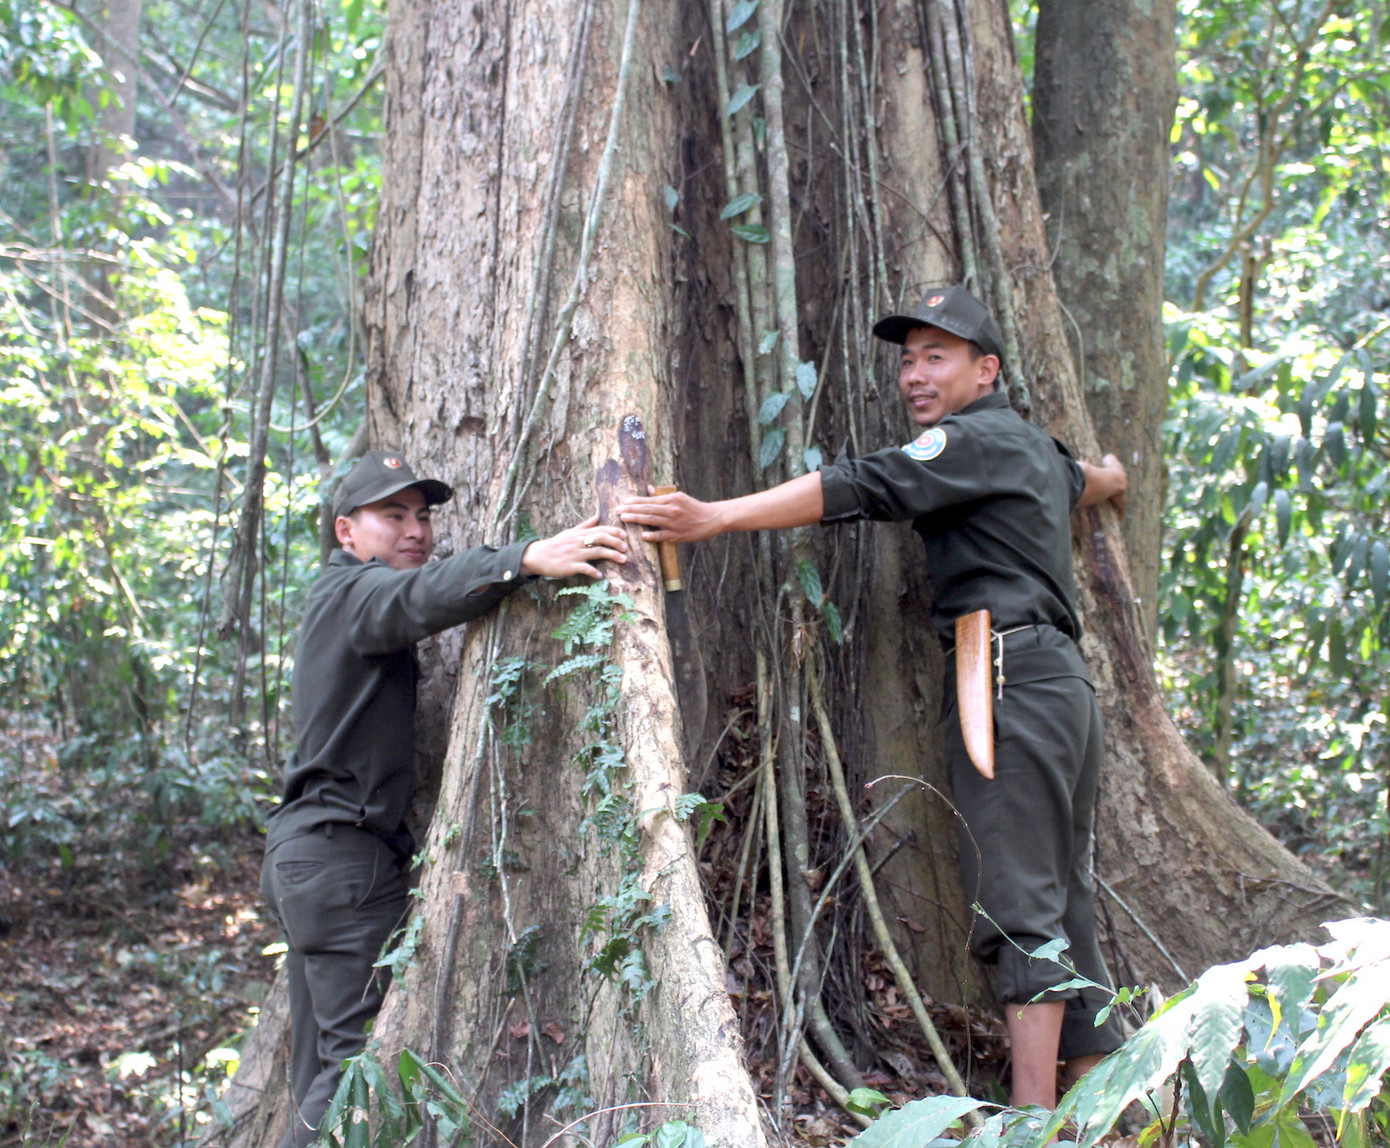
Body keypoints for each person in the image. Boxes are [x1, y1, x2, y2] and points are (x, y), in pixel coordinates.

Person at [619, 287, 1129, 1109]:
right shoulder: (1033, 450)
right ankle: (1103, 1112)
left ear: (986, 370)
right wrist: (1114, 476)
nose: (915, 376)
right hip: (1062, 685)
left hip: (1002, 679)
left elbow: (858, 485)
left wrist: (714, 517)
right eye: (907, 360)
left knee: (1018, 901)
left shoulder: (965, 443)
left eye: (937, 357)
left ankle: (1034, 1124)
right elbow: (1086, 481)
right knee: (1064, 897)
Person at [261, 449, 628, 1147]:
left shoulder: (336, 598)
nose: (416, 530)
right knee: (353, 1070)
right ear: (347, 533)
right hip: (341, 863)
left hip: (306, 859)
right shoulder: (354, 593)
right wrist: (525, 557)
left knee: (319, 1067)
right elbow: (415, 598)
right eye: (392, 515)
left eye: (423, 516)